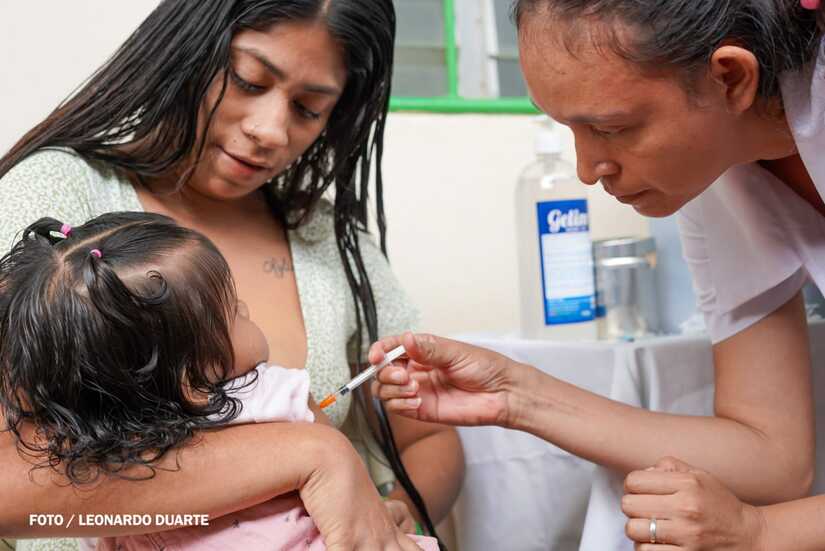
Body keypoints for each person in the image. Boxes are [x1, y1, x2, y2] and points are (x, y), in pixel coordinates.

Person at [0, 1, 463, 550]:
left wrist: (388, 515)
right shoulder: (60, 207)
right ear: (187, 52)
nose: (271, 130)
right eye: (249, 80)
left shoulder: (324, 239)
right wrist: (315, 454)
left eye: (309, 109)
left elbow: (430, 438)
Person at [370, 0, 825, 548]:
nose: (587, 170)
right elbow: (772, 454)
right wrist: (515, 392)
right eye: (570, 130)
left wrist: (759, 532)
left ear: (730, 78)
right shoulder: (714, 171)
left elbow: (772, 490)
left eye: (612, 128)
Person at [0, 212, 438, 551]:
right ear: (192, 380)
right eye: (233, 313)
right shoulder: (271, 394)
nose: (247, 313)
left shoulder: (92, 454)